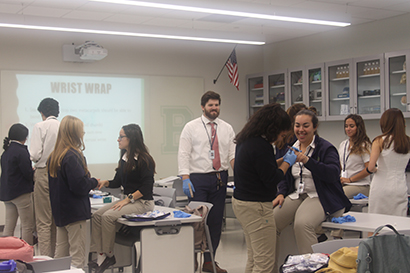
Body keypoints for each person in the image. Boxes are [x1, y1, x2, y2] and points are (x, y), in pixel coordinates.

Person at [272, 109, 351, 256]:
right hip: (297, 194)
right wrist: (281, 193)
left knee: (303, 224)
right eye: (297, 125)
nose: (301, 130)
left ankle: (311, 266)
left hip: (319, 195)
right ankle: (272, 268)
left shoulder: (326, 148)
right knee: (271, 223)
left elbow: (333, 174)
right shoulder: (292, 148)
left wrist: (307, 161)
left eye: (305, 126)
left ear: (314, 127)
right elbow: (285, 175)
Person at [232, 103, 296, 273]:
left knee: (254, 257)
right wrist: (287, 163)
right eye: (282, 133)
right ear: (273, 128)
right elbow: (272, 178)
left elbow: (261, 167)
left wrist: (281, 161)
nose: (281, 137)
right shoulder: (262, 146)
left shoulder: (246, 140)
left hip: (242, 203)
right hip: (257, 207)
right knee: (265, 262)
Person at [178, 90, 235, 273]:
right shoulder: (191, 127)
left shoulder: (227, 128)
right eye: (210, 105)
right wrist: (185, 177)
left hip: (220, 178)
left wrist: (239, 174)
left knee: (216, 222)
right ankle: (192, 259)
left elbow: (232, 154)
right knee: (197, 222)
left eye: (216, 105)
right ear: (203, 107)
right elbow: (184, 153)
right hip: (198, 179)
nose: (214, 108)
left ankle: (210, 261)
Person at [91, 124, 155, 273]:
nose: (118, 139)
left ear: (131, 138)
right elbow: (117, 182)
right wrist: (106, 182)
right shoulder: (125, 158)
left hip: (143, 202)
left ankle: (109, 255)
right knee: (97, 215)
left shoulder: (144, 159)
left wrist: (127, 199)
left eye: (121, 137)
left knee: (107, 217)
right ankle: (100, 255)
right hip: (130, 200)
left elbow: (146, 187)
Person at [48, 115, 98, 269]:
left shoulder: (54, 156)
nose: (83, 134)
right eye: (81, 131)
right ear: (75, 133)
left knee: (60, 257)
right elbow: (79, 185)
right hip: (75, 213)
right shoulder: (72, 156)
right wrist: (94, 182)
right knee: (78, 258)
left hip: (61, 213)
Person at [30, 98, 60, 257]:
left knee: (43, 220)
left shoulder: (40, 126)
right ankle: (56, 258)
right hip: (61, 174)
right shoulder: (63, 126)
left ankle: (45, 260)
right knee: (56, 220)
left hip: (43, 172)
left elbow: (34, 154)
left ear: (42, 112)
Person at [368, 108, 410, 216]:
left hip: (381, 186)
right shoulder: (407, 142)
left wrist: (377, 169)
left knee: (375, 224)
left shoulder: (379, 141)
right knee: (398, 225)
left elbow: (371, 167)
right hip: (400, 187)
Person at [0, 124, 35, 245]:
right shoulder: (22, 151)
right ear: (25, 137)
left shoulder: (6, 152)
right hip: (21, 194)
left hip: (7, 194)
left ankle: (4, 254)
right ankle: (26, 254)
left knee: (9, 226)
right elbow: (27, 173)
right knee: (27, 226)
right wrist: (33, 172)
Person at [339, 114, 372, 198]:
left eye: (351, 126)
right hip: (344, 183)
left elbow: (369, 169)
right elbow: (340, 166)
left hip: (360, 185)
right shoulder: (343, 144)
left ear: (358, 127)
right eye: (346, 126)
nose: (348, 129)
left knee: (338, 196)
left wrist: (350, 180)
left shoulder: (364, 145)